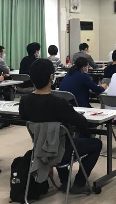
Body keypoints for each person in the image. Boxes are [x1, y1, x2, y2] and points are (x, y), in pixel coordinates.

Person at [19, 59, 103, 194]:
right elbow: (82, 123)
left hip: (40, 150)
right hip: (60, 152)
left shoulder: (24, 101)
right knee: (96, 143)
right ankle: (79, 183)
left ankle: (64, 181)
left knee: (56, 138)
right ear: (52, 77)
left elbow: (24, 118)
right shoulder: (59, 103)